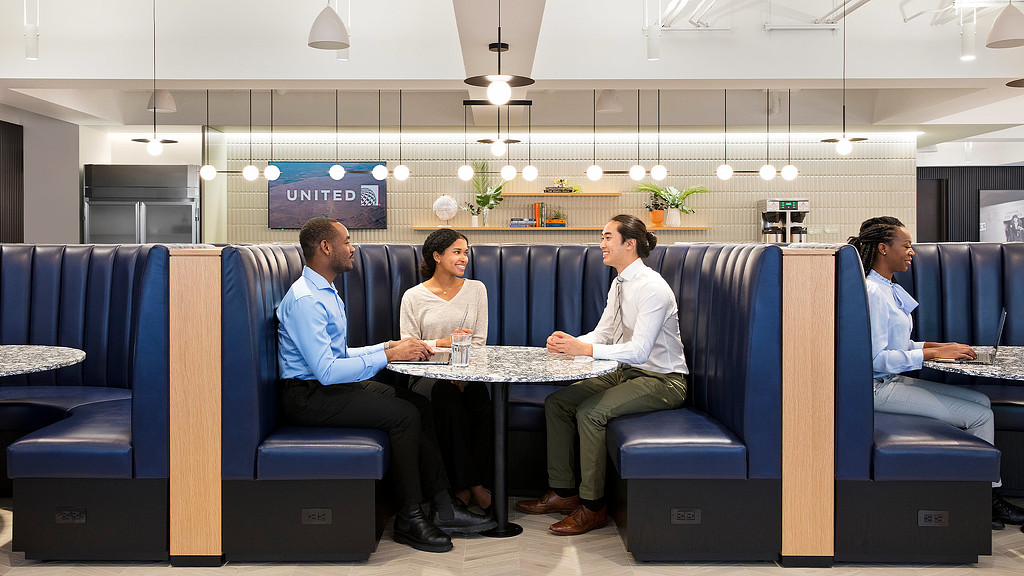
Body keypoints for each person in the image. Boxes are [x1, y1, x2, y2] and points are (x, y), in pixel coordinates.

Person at [276, 217, 494, 554]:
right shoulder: (306, 299)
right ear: (325, 247)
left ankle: (444, 506)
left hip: (325, 388)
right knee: (404, 414)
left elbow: (337, 353)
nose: (352, 248)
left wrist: (387, 348)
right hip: (308, 397)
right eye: (347, 241)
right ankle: (411, 517)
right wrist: (387, 357)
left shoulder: (325, 290)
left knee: (417, 404)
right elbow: (328, 371)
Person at [515, 214, 689, 535]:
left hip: (662, 380)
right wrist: (570, 343)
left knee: (591, 413)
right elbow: (604, 334)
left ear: (629, 243)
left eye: (608, 237)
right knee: (558, 403)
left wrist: (584, 351)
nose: (601, 244)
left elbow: (638, 350)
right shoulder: (620, 283)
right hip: (626, 373)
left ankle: (593, 507)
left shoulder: (652, 288)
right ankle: (564, 493)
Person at [848, 216, 1024, 531]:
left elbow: (895, 343)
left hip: (889, 381)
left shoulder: (887, 286)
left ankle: (974, 491)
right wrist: (931, 354)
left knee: (982, 402)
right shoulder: (874, 291)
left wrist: (938, 344)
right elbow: (874, 359)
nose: (911, 251)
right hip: (876, 388)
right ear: (883, 248)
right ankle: (984, 501)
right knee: (980, 417)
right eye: (906, 245)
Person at [400, 228, 494, 514]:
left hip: (467, 372)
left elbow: (478, 342)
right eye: (457, 251)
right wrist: (442, 345)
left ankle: (464, 488)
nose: (464, 257)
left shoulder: (477, 289)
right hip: (427, 376)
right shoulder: (413, 297)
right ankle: (475, 486)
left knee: (482, 400)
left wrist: (461, 372)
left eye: (466, 252)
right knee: (446, 396)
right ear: (437, 256)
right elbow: (408, 347)